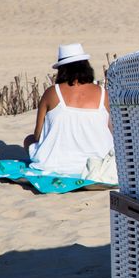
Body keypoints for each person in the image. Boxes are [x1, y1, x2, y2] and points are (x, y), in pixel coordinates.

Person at [24, 43, 115, 177]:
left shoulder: (51, 93)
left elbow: (38, 136)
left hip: (56, 165)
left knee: (28, 140)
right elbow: (112, 131)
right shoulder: (103, 93)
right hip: (97, 166)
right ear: (86, 67)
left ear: (62, 70)